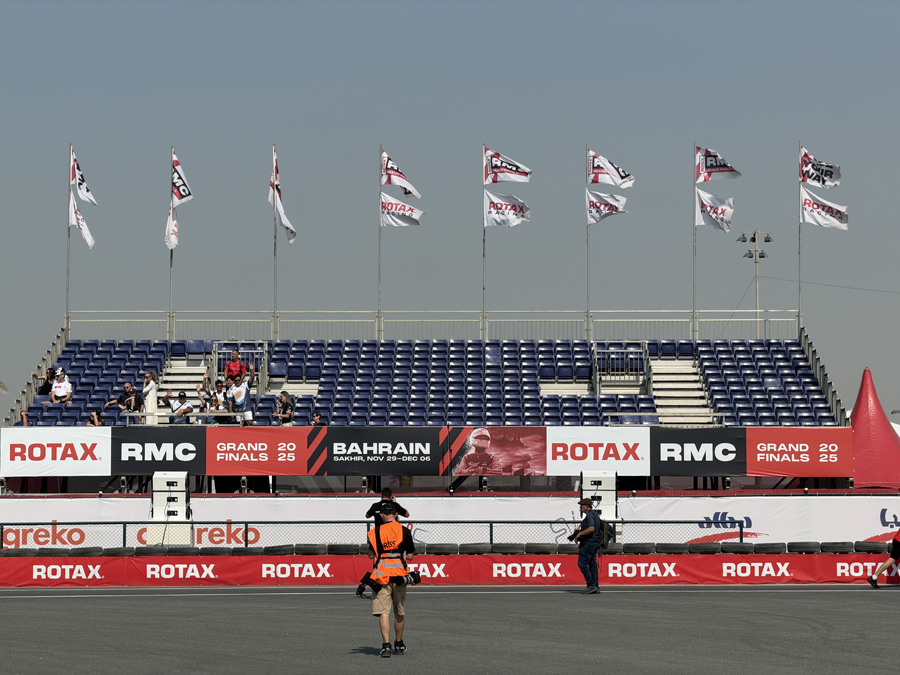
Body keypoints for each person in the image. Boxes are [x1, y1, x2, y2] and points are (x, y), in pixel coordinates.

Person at [365, 503, 420, 657]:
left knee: (384, 612)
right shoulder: (405, 531)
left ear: (381, 515)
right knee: (399, 612)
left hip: (381, 576)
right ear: (396, 514)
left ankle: (386, 646)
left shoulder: (375, 532)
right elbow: (410, 556)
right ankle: (399, 644)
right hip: (400, 575)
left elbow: (370, 555)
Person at [569, 497, 602, 594]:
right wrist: (580, 531)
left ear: (587, 506)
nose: (580, 508)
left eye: (582, 506)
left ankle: (590, 585)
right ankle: (595, 586)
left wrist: (579, 534)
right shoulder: (595, 515)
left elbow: (591, 528)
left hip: (589, 543)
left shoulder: (590, 515)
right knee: (592, 565)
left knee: (581, 563)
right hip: (594, 543)